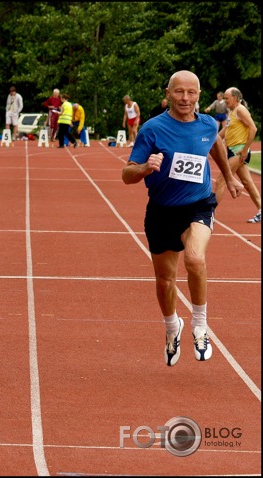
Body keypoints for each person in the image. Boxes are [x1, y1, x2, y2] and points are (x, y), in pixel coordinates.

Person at [121, 70, 244, 367]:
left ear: (199, 95)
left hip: (198, 206)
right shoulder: (152, 129)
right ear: (168, 93)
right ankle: (171, 327)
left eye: (191, 93)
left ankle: (200, 326)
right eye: (179, 92)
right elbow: (127, 174)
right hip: (162, 211)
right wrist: (145, 168)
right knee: (165, 281)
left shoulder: (206, 123)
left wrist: (228, 177)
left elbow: (214, 144)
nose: (185, 98)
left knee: (195, 259)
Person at [213, 87, 261, 224]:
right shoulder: (233, 111)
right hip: (232, 150)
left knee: (221, 180)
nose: (225, 101)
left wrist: (245, 150)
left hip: (239, 151)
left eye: (227, 98)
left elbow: (253, 128)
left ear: (235, 98)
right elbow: (226, 130)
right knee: (247, 182)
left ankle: (209, 213)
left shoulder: (241, 110)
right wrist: (212, 139)